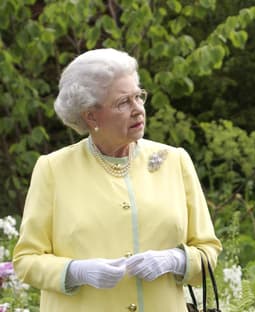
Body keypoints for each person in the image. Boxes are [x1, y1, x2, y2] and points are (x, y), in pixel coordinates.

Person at [13, 48, 222, 312]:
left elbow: (208, 251)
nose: (138, 110)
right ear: (90, 115)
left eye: (139, 97)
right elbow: (26, 260)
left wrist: (176, 260)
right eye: (123, 102)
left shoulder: (174, 161)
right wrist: (74, 271)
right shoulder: (53, 169)